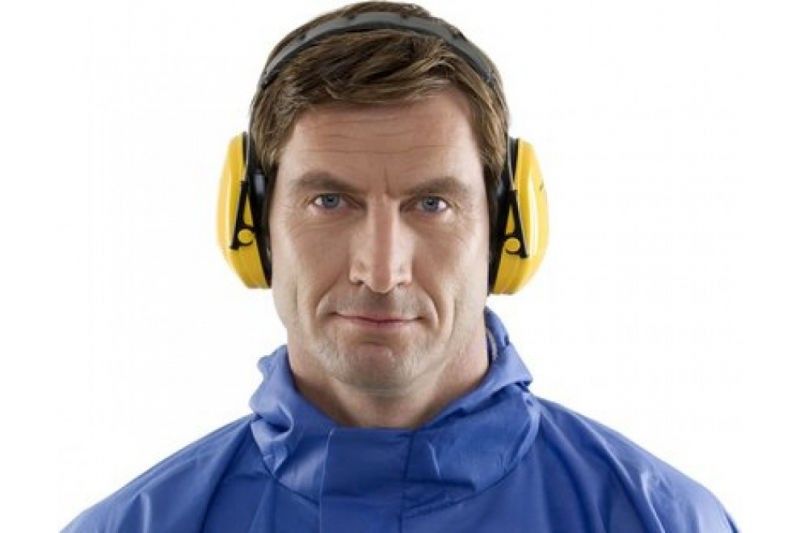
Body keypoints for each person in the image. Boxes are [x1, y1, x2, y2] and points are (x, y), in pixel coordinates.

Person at [63, 2, 739, 531]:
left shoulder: (662, 521)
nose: (381, 270)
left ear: (509, 229)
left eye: (432, 204)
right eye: (330, 201)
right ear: (253, 226)